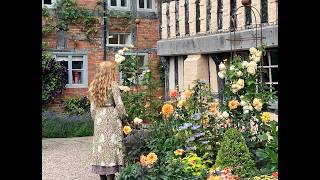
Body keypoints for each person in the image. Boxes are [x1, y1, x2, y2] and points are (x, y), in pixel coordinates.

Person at [88, 61, 127, 180]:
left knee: (100, 147)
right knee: (111, 147)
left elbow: (93, 108)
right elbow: (119, 104)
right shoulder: (113, 85)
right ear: (110, 72)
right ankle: (111, 177)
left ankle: (102, 178)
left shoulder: (94, 85)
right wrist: (123, 116)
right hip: (111, 117)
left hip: (99, 117)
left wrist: (97, 119)